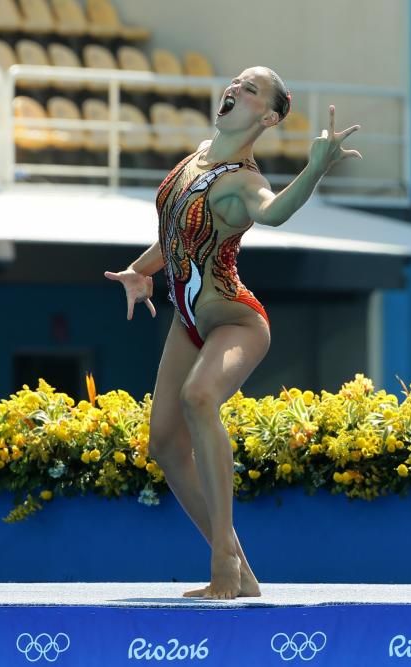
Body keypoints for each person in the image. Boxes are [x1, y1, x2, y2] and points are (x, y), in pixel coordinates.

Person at [105, 66, 361, 599]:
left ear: (267, 116)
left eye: (250, 88)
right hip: (188, 319)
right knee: (165, 446)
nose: (234, 89)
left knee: (200, 399)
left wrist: (313, 170)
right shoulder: (198, 155)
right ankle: (241, 571)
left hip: (237, 319)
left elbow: (275, 213)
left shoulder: (247, 181)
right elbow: (179, 234)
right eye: (235, 81)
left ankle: (223, 562)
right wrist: (140, 270)